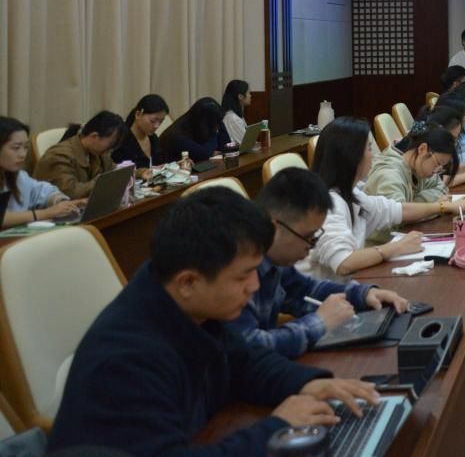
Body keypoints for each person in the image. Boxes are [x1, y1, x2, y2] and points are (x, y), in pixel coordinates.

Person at [47, 188, 382, 455]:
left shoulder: (184, 302)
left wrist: (306, 384)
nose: (254, 286)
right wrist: (276, 428)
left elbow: (243, 361)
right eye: (243, 276)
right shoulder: (127, 361)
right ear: (188, 282)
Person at [232, 167, 409, 358]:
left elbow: (305, 290)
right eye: (308, 237)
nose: (311, 247)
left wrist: (364, 294)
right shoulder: (237, 271)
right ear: (274, 229)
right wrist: (320, 322)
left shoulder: (275, 261)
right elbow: (251, 348)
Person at [297, 117, 465, 281]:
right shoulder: (330, 203)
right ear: (351, 156)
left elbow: (398, 209)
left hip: (347, 285)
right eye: (368, 148)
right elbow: (343, 262)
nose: (373, 155)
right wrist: (397, 248)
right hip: (321, 296)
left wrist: (443, 207)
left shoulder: (353, 195)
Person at [362, 125, 465, 244]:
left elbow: (441, 187)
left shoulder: (416, 167)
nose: (436, 171)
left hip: (400, 241)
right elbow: (399, 218)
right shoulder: (389, 174)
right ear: (422, 149)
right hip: (378, 245)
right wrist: (439, 206)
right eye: (437, 164)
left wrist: (416, 206)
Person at [2, 116, 82, 229]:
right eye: (16, 148)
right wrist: (46, 213)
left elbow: (42, 190)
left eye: (25, 147)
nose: (22, 154)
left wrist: (61, 202)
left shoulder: (18, 176)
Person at [33, 111, 124, 199]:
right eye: (110, 145)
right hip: (56, 207)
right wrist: (100, 183)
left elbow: (112, 171)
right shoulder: (59, 155)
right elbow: (69, 192)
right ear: (94, 136)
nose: (109, 150)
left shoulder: (97, 152)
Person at [112, 94, 170, 177]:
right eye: (153, 121)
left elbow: (160, 166)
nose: (156, 126)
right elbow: (118, 173)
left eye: (160, 122)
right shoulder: (121, 141)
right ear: (138, 114)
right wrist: (140, 173)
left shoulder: (153, 138)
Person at [159, 97, 231, 163]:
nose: (216, 125)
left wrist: (219, 122)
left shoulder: (200, 126)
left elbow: (226, 145)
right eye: (215, 122)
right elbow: (204, 154)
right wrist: (214, 132)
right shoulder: (177, 135)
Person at [220, 80, 252, 146]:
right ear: (240, 96)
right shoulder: (232, 117)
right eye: (248, 93)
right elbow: (246, 142)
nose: (250, 95)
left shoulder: (236, 114)